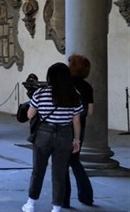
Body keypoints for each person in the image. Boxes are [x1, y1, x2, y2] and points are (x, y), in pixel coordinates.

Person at [22, 62, 83, 212]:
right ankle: (56, 207)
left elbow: (30, 115)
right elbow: (76, 120)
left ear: (50, 76)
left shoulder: (41, 93)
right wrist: (76, 140)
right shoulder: (73, 94)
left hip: (44, 132)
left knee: (38, 170)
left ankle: (31, 203)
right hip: (64, 134)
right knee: (60, 172)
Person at [63, 55, 94, 207]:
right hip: (80, 127)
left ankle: (64, 200)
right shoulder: (87, 86)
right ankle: (86, 196)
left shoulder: (64, 83)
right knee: (75, 162)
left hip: (64, 127)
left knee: (62, 164)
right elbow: (90, 111)